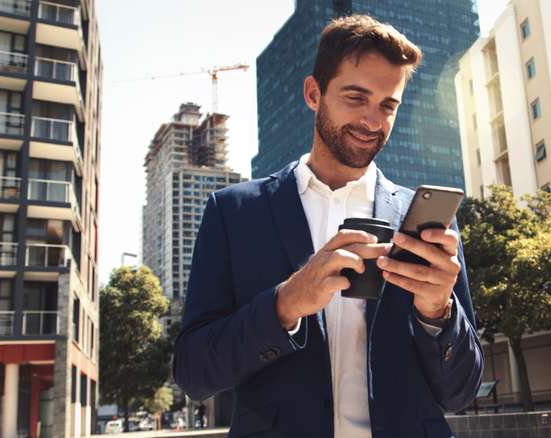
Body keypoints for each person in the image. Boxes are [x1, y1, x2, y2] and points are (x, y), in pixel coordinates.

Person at [173, 14, 484, 438]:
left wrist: (438, 313)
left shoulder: (428, 224)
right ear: (313, 93)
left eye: (387, 105)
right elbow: (192, 371)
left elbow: (460, 393)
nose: (373, 121)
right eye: (356, 97)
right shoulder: (234, 212)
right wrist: (286, 303)